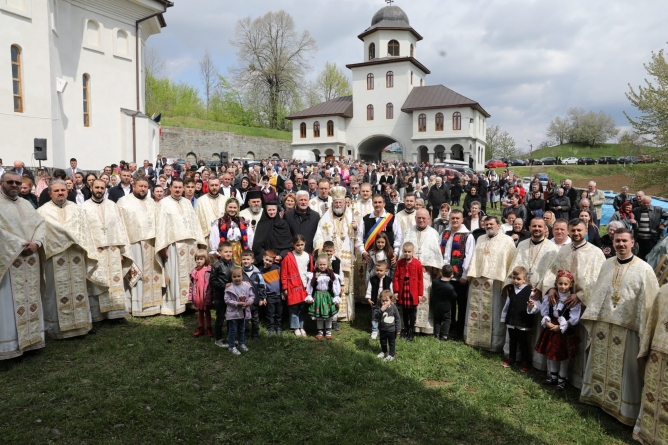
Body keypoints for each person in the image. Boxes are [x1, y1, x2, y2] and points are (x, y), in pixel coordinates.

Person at [579, 228, 660, 425]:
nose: (620, 245)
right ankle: (598, 398)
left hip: (628, 329)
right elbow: (598, 292)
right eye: (617, 241)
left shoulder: (644, 269)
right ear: (613, 242)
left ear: (633, 243)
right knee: (600, 363)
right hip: (603, 325)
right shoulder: (606, 265)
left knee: (626, 371)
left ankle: (625, 409)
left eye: (624, 241)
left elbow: (649, 303)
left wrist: (644, 331)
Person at [539, 218, 606, 389]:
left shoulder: (596, 253)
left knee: (578, 342)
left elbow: (600, 280)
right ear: (569, 231)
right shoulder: (563, 251)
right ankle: (557, 376)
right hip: (561, 302)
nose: (576, 233)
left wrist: (581, 295)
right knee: (560, 342)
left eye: (579, 230)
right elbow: (551, 272)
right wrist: (551, 288)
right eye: (573, 230)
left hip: (583, 305)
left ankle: (576, 379)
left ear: (585, 231)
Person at [0, 171, 46, 359]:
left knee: (31, 299)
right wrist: (19, 245)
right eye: (9, 182)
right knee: (8, 304)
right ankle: (9, 346)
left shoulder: (26, 204)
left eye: (17, 183)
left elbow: (40, 224)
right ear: (1, 183)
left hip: (30, 260)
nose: (14, 186)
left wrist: (37, 243)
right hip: (9, 261)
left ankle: (32, 342)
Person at [504, 218, 559, 370]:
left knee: (535, 327)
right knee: (518, 326)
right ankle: (515, 356)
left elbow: (553, 271)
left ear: (545, 228)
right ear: (529, 227)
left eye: (539, 226)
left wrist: (542, 288)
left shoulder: (552, 248)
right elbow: (514, 265)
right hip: (519, 290)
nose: (536, 228)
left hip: (538, 293)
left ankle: (535, 360)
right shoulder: (522, 244)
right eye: (534, 226)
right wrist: (510, 283)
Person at [81, 179, 139, 321]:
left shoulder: (113, 206)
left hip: (113, 251)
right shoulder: (83, 208)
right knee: (98, 281)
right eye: (97, 187)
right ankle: (98, 315)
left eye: (102, 187)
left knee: (115, 281)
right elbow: (83, 231)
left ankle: (116, 313)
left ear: (105, 189)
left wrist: (121, 250)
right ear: (91, 187)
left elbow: (120, 228)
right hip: (96, 252)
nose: (99, 190)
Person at [155, 178, 206, 316]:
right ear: (170, 188)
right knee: (175, 274)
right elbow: (160, 226)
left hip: (190, 245)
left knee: (191, 274)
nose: (178, 190)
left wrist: (200, 242)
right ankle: (176, 306)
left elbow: (194, 223)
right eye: (175, 187)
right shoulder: (163, 203)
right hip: (174, 245)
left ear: (183, 189)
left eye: (180, 187)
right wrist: (163, 246)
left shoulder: (187, 203)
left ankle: (190, 303)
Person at [465, 217, 516, 351]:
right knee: (476, 310)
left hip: (495, 282)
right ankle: (474, 339)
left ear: (498, 225)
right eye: (486, 224)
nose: (488, 226)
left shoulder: (507, 240)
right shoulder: (481, 238)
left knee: (494, 312)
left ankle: (494, 343)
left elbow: (511, 262)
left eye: (491, 224)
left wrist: (509, 282)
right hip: (478, 281)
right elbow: (475, 257)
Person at [117, 177, 164, 317]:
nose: (143, 189)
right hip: (133, 244)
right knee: (134, 273)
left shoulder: (152, 203)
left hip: (151, 244)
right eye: (140, 186)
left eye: (145, 186)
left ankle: (154, 305)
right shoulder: (123, 202)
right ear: (133, 186)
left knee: (153, 274)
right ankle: (135, 305)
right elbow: (119, 226)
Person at [531, 269, 581, 390]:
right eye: (560, 284)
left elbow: (574, 317)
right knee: (551, 353)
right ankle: (552, 376)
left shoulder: (572, 300)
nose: (563, 287)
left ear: (571, 285)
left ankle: (562, 379)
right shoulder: (551, 296)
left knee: (563, 356)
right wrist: (547, 321)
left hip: (564, 331)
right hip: (551, 328)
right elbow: (545, 311)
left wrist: (562, 326)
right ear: (556, 284)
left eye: (566, 284)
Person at [312, 186, 357, 322]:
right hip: (330, 258)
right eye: (336, 203)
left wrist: (356, 228)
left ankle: (345, 314)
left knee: (345, 286)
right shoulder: (325, 218)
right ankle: (331, 313)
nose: (338, 205)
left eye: (340, 203)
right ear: (333, 204)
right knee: (330, 284)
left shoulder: (351, 216)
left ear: (345, 203)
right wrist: (319, 248)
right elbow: (318, 234)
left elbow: (358, 236)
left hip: (345, 255)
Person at [401, 209, 444, 335]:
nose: (421, 220)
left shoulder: (433, 233)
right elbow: (402, 252)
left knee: (423, 298)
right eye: (419, 218)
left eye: (424, 218)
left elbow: (436, 254)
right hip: (409, 272)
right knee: (409, 297)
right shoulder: (408, 231)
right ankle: (409, 325)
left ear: (428, 219)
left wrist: (432, 268)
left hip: (425, 274)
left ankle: (422, 326)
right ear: (415, 218)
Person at [634, 282, 668, 443]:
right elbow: (652, 324)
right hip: (658, 353)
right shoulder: (664, 291)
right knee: (653, 395)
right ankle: (646, 432)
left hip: (659, 351)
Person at [500, 266, 534, 372]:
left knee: (523, 341)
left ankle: (525, 361)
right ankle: (511, 358)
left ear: (525, 279)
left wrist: (531, 306)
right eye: (514, 278)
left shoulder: (530, 291)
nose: (515, 281)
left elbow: (536, 307)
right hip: (511, 320)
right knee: (512, 340)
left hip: (522, 321)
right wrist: (504, 318)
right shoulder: (511, 290)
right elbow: (507, 304)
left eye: (518, 279)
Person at [281, 234, 313, 337]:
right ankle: (295, 327)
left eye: (302, 245)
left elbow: (311, 271)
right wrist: (285, 287)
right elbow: (284, 274)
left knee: (302, 307)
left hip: (304, 285)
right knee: (294, 307)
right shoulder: (289, 257)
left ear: (305, 244)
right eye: (297, 245)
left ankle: (301, 326)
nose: (300, 247)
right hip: (293, 285)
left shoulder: (308, 256)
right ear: (293, 245)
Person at [306, 254, 341, 340]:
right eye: (320, 264)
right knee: (319, 316)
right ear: (317, 264)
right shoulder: (314, 274)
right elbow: (310, 285)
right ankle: (320, 331)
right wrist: (309, 295)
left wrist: (336, 295)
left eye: (324, 264)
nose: (322, 266)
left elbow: (335, 285)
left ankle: (328, 331)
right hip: (317, 296)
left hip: (327, 296)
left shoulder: (331, 274)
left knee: (328, 315)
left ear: (328, 264)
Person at [393, 242, 423, 342]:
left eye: (409, 252)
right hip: (403, 290)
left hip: (413, 291)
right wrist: (396, 291)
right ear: (403, 251)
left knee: (412, 313)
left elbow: (420, 280)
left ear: (413, 252)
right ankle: (405, 329)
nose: (407, 254)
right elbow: (396, 277)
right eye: (405, 252)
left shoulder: (418, 263)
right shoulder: (400, 262)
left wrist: (420, 294)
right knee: (404, 311)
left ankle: (411, 330)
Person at [224, 266, 255, 356]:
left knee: (242, 329)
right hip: (233, 313)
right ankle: (231, 346)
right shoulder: (229, 287)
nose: (237, 278)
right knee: (233, 330)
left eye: (239, 276)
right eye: (234, 277)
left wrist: (249, 302)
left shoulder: (247, 285)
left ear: (242, 276)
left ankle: (241, 343)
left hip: (244, 312)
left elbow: (252, 296)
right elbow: (227, 300)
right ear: (231, 277)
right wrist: (237, 303)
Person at [210, 242, 235, 348]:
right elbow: (212, 281)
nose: (228, 254)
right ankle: (218, 338)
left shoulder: (233, 264)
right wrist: (224, 286)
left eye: (230, 251)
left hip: (231, 296)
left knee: (230, 316)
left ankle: (230, 337)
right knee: (220, 317)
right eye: (226, 252)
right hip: (220, 295)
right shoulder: (216, 266)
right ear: (220, 253)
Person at [633, 195, 668, 260]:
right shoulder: (636, 210)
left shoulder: (658, 210)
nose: (646, 204)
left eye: (648, 203)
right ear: (641, 202)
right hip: (639, 238)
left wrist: (663, 225)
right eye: (644, 203)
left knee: (650, 256)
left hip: (651, 238)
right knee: (639, 256)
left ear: (650, 202)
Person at [194, 178, 227, 246]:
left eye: (216, 185)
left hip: (224, 238)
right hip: (207, 239)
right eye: (212, 185)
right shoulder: (200, 201)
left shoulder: (226, 200)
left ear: (220, 186)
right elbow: (196, 222)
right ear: (208, 186)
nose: (214, 187)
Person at [365, 260, 393, 339]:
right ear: (374, 269)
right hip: (375, 301)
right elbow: (369, 290)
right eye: (377, 270)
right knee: (375, 316)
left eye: (381, 270)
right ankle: (374, 330)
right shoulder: (372, 279)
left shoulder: (389, 280)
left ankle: (384, 328)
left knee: (385, 315)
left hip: (385, 303)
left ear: (386, 270)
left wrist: (391, 301)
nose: (379, 272)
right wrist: (368, 298)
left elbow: (391, 291)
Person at [189, 250, 213, 338]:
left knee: (207, 311)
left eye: (201, 259)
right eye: (197, 259)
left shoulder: (209, 270)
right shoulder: (194, 271)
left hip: (206, 294)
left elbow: (212, 284)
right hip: (198, 294)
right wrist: (190, 295)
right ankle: (201, 328)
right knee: (200, 312)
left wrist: (213, 295)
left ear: (205, 259)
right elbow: (191, 285)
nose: (199, 261)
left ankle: (209, 328)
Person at [431, 265, 458, 341]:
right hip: (446, 307)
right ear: (452, 275)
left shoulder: (435, 282)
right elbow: (454, 296)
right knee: (447, 320)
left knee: (437, 320)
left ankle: (437, 334)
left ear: (441, 273)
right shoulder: (450, 287)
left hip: (436, 305)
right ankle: (445, 335)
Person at [374, 290, 401, 361]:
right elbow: (376, 316)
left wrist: (398, 329)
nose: (385, 302)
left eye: (387, 300)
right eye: (383, 301)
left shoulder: (393, 308)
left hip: (392, 330)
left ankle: (391, 355)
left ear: (391, 300)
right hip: (382, 329)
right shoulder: (379, 308)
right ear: (380, 300)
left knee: (391, 343)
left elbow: (398, 319)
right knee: (382, 341)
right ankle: (384, 351)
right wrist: (381, 310)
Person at [260, 250, 282, 336]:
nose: (268, 262)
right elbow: (261, 286)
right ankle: (271, 328)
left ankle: (279, 327)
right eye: (266, 260)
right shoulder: (261, 272)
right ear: (263, 258)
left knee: (279, 313)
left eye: (270, 261)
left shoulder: (277, 268)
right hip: (269, 296)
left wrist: (283, 292)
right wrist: (263, 297)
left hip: (278, 295)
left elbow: (282, 280)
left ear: (273, 261)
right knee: (270, 313)